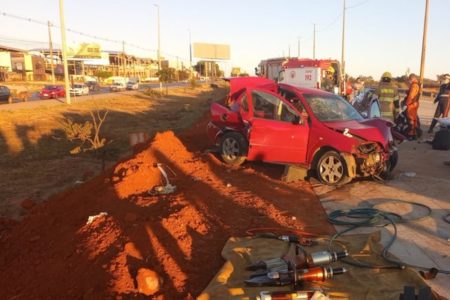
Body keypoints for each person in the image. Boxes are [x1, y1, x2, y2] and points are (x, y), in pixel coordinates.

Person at [405, 73, 420, 139]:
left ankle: (411, 134)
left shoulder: (414, 85)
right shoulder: (417, 85)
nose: (409, 81)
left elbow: (411, 95)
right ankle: (414, 133)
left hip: (411, 104)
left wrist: (406, 103)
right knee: (414, 119)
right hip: (415, 103)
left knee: (411, 119)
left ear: (412, 78)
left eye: (409, 79)